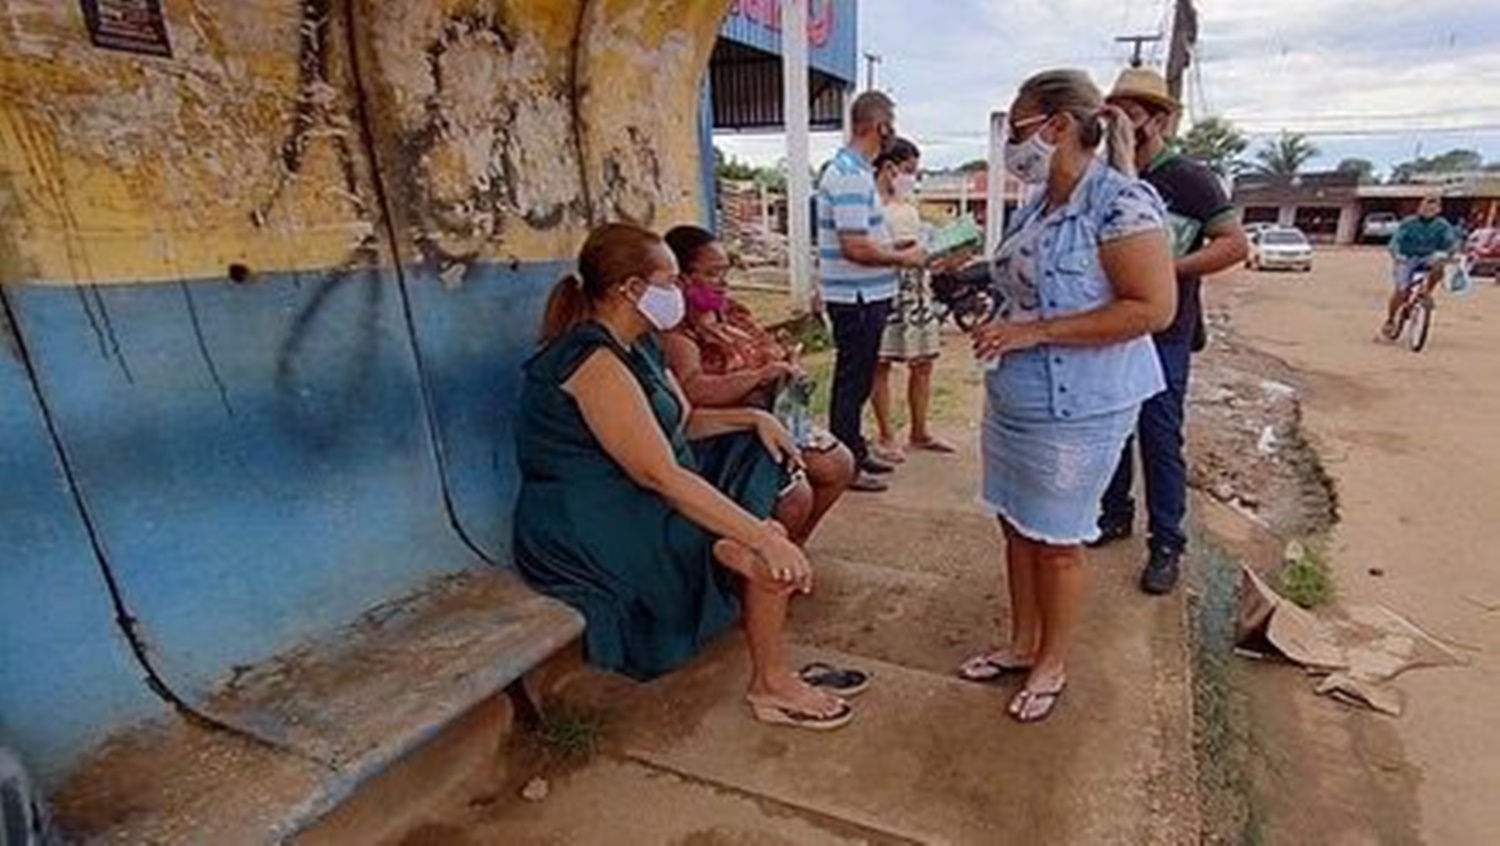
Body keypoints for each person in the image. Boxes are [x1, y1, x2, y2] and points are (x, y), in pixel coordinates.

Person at [514, 223, 868, 731]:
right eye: (671, 281)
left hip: (635, 492)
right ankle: (770, 682)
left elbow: (676, 427)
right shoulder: (594, 362)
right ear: (630, 290)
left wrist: (754, 418)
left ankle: (769, 666)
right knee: (761, 547)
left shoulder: (638, 346)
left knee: (758, 487)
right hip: (591, 521)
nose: (681, 293)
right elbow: (659, 474)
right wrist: (754, 535)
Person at [955, 70, 1176, 723]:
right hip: (1016, 397)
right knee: (1015, 524)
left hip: (1082, 406)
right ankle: (1023, 643)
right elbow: (1026, 288)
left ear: (1055, 127)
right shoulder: (1036, 204)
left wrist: (1035, 331)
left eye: (1016, 128)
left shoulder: (1122, 202)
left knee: (1057, 539)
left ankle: (1054, 659)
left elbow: (1153, 308)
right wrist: (986, 302)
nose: (1009, 144)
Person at [1093, 67, 1250, 595]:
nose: (1122, 121)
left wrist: (1166, 272)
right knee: (1113, 429)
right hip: (1112, 325)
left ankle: (1166, 542)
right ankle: (1113, 514)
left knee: (1158, 434)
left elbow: (1233, 243)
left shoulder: (1187, 178)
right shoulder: (1108, 177)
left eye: (1132, 113)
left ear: (1157, 119)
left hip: (1165, 330)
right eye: (1115, 112)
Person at [660, 224, 856, 543]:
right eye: (713, 274)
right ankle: (757, 569)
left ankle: (789, 551)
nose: (723, 282)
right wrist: (756, 377)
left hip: (771, 416)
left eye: (725, 272)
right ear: (681, 278)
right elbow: (692, 390)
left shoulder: (731, 312)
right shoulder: (677, 333)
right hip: (726, 430)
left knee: (840, 464)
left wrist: (787, 368)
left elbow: (767, 348)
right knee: (796, 497)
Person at [816, 91, 928, 493]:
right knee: (853, 382)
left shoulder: (855, 171)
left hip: (864, 295)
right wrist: (904, 259)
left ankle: (855, 450)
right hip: (857, 299)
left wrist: (900, 250)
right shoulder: (848, 174)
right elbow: (855, 247)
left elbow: (865, 240)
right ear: (881, 127)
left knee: (859, 380)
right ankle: (844, 462)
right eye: (891, 124)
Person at [868, 137, 957, 462]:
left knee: (924, 363)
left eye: (915, 172)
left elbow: (923, 247)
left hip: (917, 289)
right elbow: (866, 250)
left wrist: (943, 257)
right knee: (881, 364)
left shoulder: (909, 206)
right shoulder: (869, 203)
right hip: (886, 290)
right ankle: (886, 435)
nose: (911, 178)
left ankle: (919, 431)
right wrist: (903, 252)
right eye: (908, 170)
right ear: (888, 167)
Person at [1382, 195, 1459, 338]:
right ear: (1420, 208)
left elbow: (1451, 241)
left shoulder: (1442, 225)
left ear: (1438, 210)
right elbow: (1395, 241)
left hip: (1427, 256)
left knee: (1438, 266)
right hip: (1407, 257)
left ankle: (1426, 293)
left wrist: (1452, 253)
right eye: (1425, 207)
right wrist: (1396, 254)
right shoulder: (1409, 223)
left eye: (1433, 208)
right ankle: (1391, 319)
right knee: (1401, 290)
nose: (1428, 210)